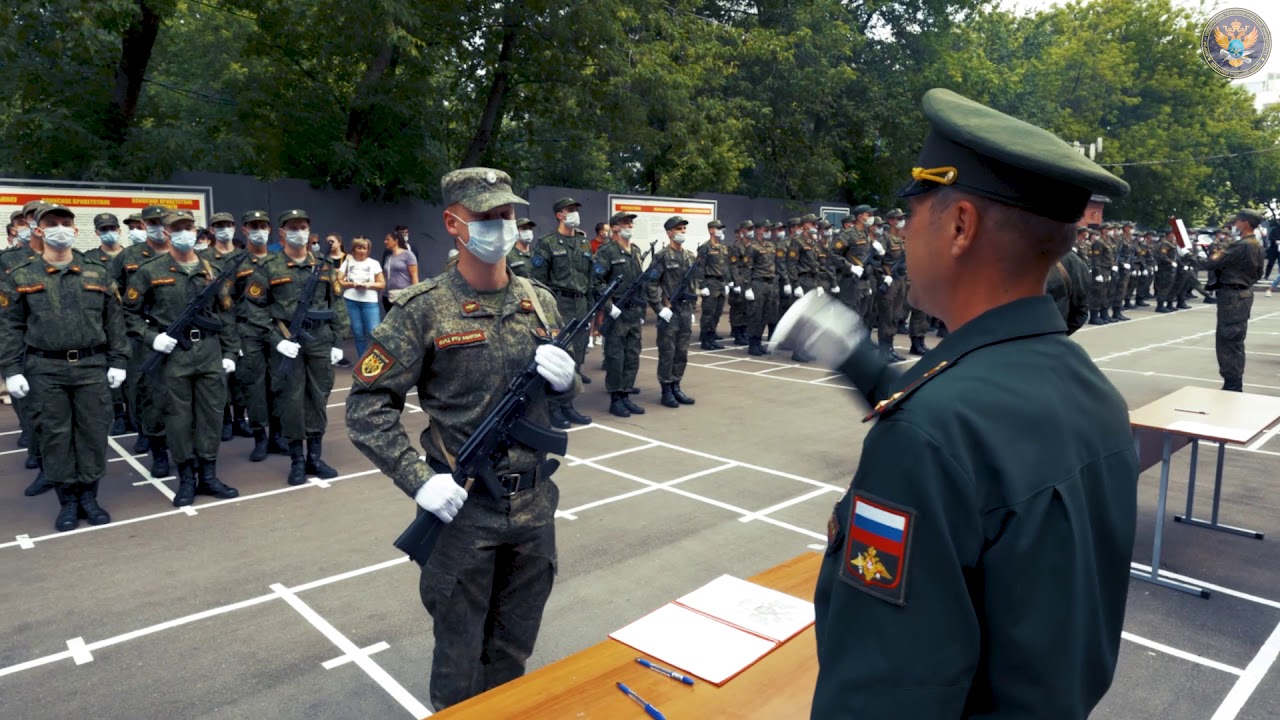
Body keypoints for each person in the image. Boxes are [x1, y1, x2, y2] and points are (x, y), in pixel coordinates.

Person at [770, 88, 1137, 719]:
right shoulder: (1089, 389)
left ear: (960, 225)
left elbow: (885, 693)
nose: (904, 234)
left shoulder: (924, 436)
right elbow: (975, 419)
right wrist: (854, 355)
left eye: (912, 215)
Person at [346, 166, 578, 711]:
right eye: (486, 216)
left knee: (512, 653)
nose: (502, 226)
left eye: (507, 215)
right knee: (458, 660)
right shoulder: (423, 309)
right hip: (464, 513)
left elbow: (553, 408)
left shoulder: (540, 302)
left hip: (534, 508)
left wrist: (567, 385)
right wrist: (418, 481)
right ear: (453, 223)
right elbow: (366, 407)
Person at [0, 204, 128, 530]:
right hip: (45, 368)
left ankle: (89, 497)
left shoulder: (97, 273)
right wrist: (11, 370)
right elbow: (10, 327)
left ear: (75, 230)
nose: (59, 228)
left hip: (91, 365)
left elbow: (114, 321)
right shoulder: (22, 275)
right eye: (52, 223)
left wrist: (119, 361)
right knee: (55, 435)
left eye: (65, 223)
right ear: (39, 230)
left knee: (92, 433)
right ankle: (67, 501)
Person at [123, 210, 241, 507]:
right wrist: (153, 338)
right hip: (173, 356)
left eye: (188, 227)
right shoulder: (149, 271)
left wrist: (229, 352)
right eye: (177, 228)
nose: (183, 233)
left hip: (210, 353)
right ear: (165, 233)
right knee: (178, 419)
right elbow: (128, 314)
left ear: (198, 233)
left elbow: (225, 315)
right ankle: (187, 478)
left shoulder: (211, 270)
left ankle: (209, 476)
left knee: (211, 415)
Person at [245, 209, 349, 485]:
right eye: (292, 228)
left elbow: (336, 304)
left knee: (318, 398)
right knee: (290, 401)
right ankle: (297, 460)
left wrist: (338, 341)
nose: (298, 232)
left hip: (320, 342)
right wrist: (276, 341)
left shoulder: (325, 266)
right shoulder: (269, 267)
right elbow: (254, 310)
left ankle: (315, 457)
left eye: (303, 227)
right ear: (281, 233)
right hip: (289, 343)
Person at [110, 204, 173, 473]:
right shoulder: (128, 257)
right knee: (148, 393)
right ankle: (155, 444)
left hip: (180, 338)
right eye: (151, 222)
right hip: (143, 336)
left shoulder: (184, 255)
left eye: (162, 221)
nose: (157, 227)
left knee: (179, 394)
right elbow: (117, 298)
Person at [530, 197, 595, 426]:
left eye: (576, 210)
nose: (575, 214)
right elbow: (537, 281)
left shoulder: (584, 243)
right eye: (570, 210)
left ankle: (569, 404)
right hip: (559, 304)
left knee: (576, 356)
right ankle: (553, 407)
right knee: (559, 356)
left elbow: (591, 278)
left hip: (581, 305)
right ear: (559, 215)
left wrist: (592, 306)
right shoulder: (547, 243)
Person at [1203, 209, 1265, 391]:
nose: (1235, 225)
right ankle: (1234, 381)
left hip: (1232, 296)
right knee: (1235, 339)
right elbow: (1259, 273)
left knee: (1227, 339)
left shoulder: (1241, 245)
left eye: (1237, 222)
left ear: (1245, 223)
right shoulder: (1257, 245)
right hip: (1243, 294)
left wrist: (1189, 256)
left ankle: (1232, 383)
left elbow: (1212, 263)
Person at [594, 211, 648, 417]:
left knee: (632, 355)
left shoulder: (634, 250)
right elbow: (596, 282)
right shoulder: (606, 251)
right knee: (616, 357)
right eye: (626, 223)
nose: (630, 227)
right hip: (616, 312)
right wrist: (608, 307)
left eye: (631, 224)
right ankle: (615, 398)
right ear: (615, 227)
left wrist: (642, 309)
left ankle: (626, 394)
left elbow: (639, 282)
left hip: (633, 312)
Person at [236, 210, 279, 461]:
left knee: (278, 385)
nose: (259, 230)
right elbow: (226, 303)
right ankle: (260, 437)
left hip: (276, 332)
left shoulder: (278, 261)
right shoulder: (236, 262)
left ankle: (277, 436)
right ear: (245, 230)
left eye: (263, 225)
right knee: (254, 386)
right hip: (248, 332)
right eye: (254, 226)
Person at [647, 216, 698, 408]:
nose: (682, 232)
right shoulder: (662, 256)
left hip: (685, 311)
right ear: (669, 233)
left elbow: (692, 284)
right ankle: (666, 389)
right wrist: (659, 308)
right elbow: (651, 284)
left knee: (682, 351)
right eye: (678, 229)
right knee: (667, 351)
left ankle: (677, 385)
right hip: (670, 311)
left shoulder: (690, 256)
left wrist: (693, 309)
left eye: (684, 229)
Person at [338, 236, 385, 358]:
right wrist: (352, 284)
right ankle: (362, 362)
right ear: (354, 249)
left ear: (368, 250)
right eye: (359, 248)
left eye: (365, 248)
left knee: (374, 332)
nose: (362, 251)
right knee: (358, 333)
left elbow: (382, 284)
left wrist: (368, 285)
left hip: (369, 302)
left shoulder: (374, 263)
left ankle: (375, 360)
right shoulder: (347, 262)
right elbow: (340, 280)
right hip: (351, 301)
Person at [695, 219, 730, 350]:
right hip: (710, 283)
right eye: (718, 228)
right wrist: (702, 286)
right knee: (708, 313)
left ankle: (712, 336)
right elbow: (699, 267)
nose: (721, 231)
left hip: (720, 283)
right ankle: (705, 340)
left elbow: (725, 267)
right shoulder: (705, 247)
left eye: (721, 229)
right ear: (711, 230)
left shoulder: (723, 247)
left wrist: (727, 282)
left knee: (717, 312)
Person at [382, 231, 419, 313]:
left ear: (396, 241)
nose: (385, 242)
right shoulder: (388, 257)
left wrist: (414, 295)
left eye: (388, 239)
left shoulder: (408, 255)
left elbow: (414, 276)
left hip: (403, 295)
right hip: (388, 295)